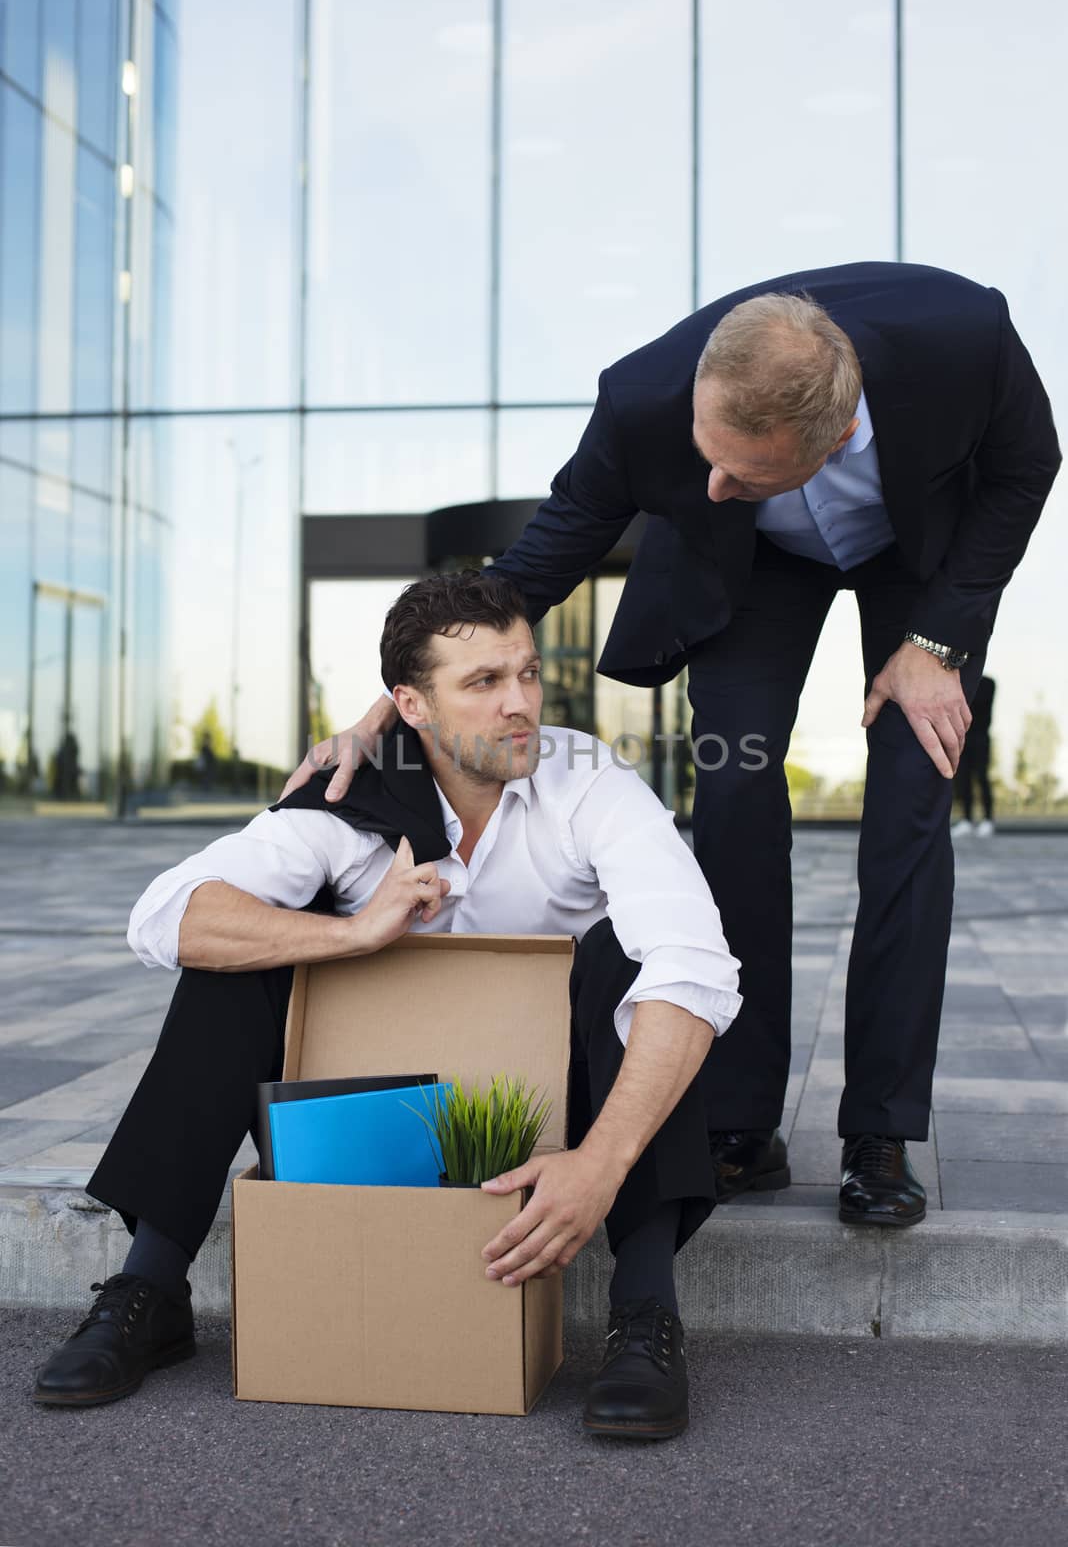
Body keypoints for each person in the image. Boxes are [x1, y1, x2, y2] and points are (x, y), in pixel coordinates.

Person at [290, 263, 1060, 1229]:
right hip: (753, 567)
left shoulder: (967, 339)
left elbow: (1027, 468)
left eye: (745, 468)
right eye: (706, 454)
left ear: (837, 433)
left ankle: (881, 1130)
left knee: (909, 813)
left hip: (919, 566)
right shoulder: (644, 397)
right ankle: (739, 1119)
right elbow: (544, 555)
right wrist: (389, 703)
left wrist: (935, 642)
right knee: (734, 793)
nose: (710, 481)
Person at [34, 572, 741, 1441]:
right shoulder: (347, 799)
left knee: (637, 960)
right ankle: (150, 1286)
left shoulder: (589, 780)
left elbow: (695, 964)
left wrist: (599, 1162)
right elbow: (164, 916)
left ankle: (644, 1309)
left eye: (526, 672)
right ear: (410, 704)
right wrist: (352, 934)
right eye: (482, 683)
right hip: (384, 1097)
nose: (519, 703)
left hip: (560, 1093)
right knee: (241, 956)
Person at [952, 674, 997, 837]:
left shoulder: (987, 683)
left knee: (981, 777)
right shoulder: (959, 681)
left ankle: (988, 819)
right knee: (962, 778)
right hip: (962, 736)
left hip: (980, 738)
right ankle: (967, 819)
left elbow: (973, 705)